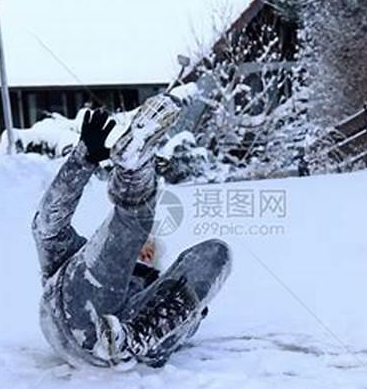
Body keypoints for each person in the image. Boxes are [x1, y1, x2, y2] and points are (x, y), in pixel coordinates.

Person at [32, 95, 232, 368]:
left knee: (219, 251)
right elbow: (46, 226)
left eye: (150, 252)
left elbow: (177, 334)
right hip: (71, 306)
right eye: (142, 249)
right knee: (131, 223)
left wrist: (193, 306)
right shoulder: (82, 257)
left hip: (125, 334)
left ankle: (128, 340)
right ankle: (134, 167)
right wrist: (82, 160)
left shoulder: (157, 293)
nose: (144, 253)